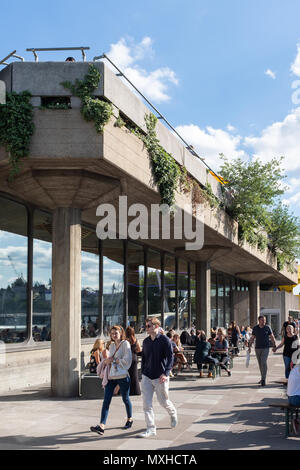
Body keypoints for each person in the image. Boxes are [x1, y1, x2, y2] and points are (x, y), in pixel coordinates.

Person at [90, 325, 132, 436]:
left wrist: (115, 360)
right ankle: (102, 426)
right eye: (112, 333)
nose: (114, 335)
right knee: (106, 401)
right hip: (112, 377)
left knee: (126, 399)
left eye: (116, 333)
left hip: (123, 377)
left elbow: (128, 360)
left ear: (121, 333)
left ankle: (130, 418)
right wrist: (107, 361)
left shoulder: (125, 344)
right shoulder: (112, 345)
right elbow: (110, 359)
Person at [139, 316, 177, 438]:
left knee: (163, 401)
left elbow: (171, 358)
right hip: (147, 376)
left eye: (148, 326)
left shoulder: (165, 340)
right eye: (146, 326)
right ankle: (151, 428)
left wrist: (166, 373)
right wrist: (143, 372)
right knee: (146, 404)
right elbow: (144, 358)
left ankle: (172, 413)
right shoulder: (145, 341)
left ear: (156, 326)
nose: (146, 328)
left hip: (160, 377)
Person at [248, 315, 276, 386]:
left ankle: (263, 379)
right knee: (260, 364)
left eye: (265, 320)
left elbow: (272, 336)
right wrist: (249, 346)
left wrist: (274, 345)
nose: (264, 321)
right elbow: (252, 337)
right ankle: (262, 377)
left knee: (263, 362)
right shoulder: (255, 328)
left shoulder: (267, 327)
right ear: (259, 320)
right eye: (262, 320)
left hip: (265, 348)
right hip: (257, 348)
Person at [125, 326, 142, 396]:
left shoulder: (125, 340)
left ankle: (127, 390)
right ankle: (135, 391)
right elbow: (140, 349)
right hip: (134, 358)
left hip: (127, 358)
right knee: (134, 375)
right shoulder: (135, 340)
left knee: (126, 375)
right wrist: (134, 351)